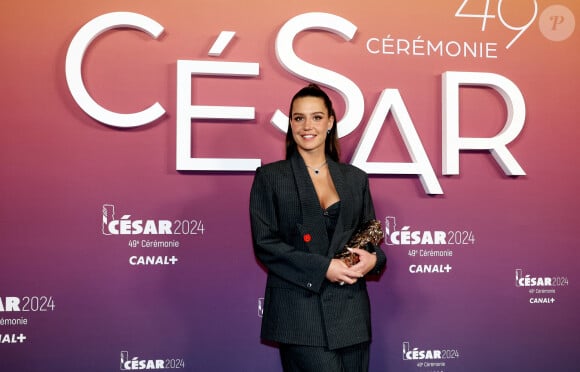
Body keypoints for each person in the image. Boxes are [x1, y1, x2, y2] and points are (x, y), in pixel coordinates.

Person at [249, 83, 387, 371]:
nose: (307, 125)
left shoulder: (355, 179)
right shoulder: (271, 177)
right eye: (299, 118)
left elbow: (370, 237)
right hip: (300, 315)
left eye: (316, 117)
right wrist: (324, 267)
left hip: (351, 316)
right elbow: (266, 244)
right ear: (290, 123)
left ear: (330, 122)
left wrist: (373, 260)